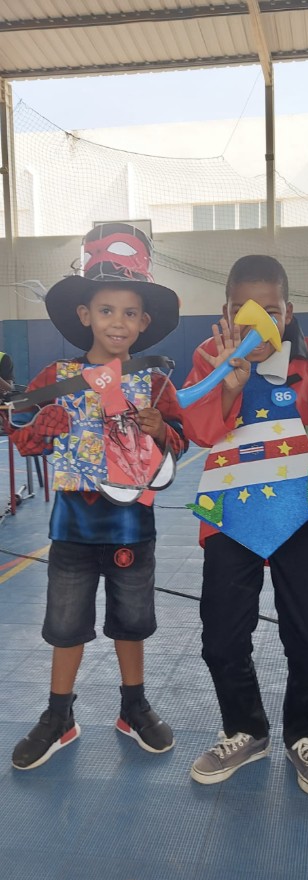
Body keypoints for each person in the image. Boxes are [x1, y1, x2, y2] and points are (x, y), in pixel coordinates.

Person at [7, 223, 187, 770]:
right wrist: (42, 426)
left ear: (144, 322)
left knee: (131, 622)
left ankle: (134, 707)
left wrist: (160, 430)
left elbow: (181, 442)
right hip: (72, 529)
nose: (118, 322)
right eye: (106, 310)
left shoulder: (153, 382)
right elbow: (22, 433)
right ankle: (58, 715)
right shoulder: (57, 376)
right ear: (85, 314)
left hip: (133, 526)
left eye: (130, 313)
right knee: (66, 626)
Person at [180, 254, 308, 796]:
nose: (257, 324)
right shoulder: (208, 356)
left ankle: (305, 736)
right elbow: (201, 431)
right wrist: (228, 384)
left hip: (301, 510)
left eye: (270, 312)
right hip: (231, 512)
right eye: (243, 311)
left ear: (289, 312)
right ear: (226, 311)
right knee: (221, 634)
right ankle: (245, 729)